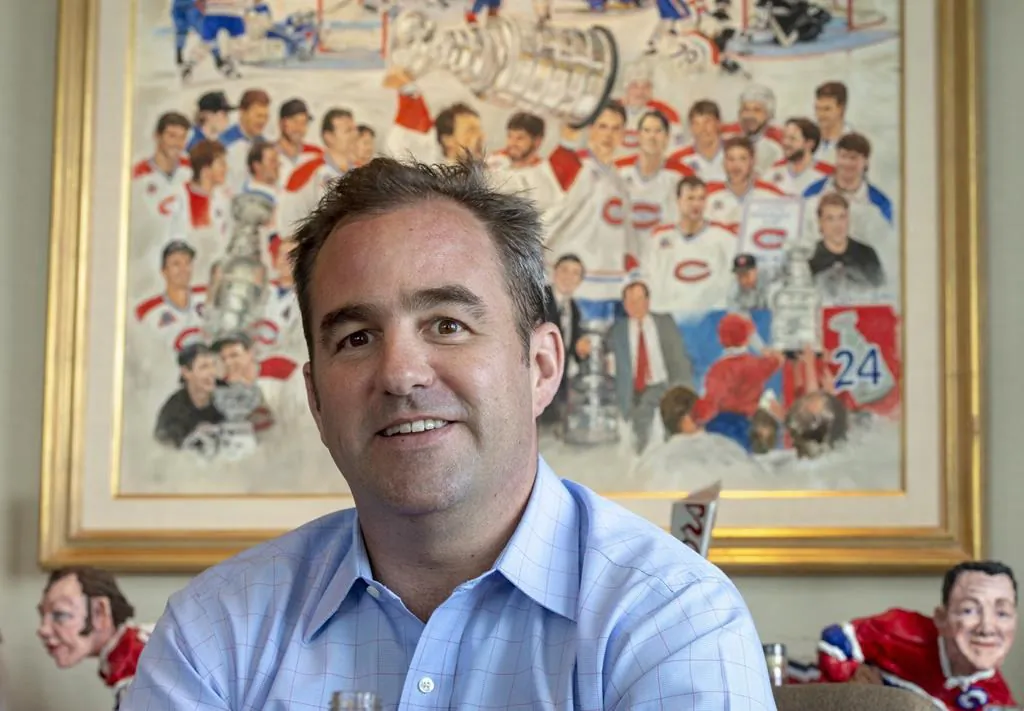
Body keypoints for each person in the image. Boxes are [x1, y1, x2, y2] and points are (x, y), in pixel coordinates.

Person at [121, 156, 776, 710]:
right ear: (316, 397)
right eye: (355, 338)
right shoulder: (213, 636)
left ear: (543, 366)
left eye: (447, 325)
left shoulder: (673, 620)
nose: (401, 373)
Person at [816, 560, 1018, 710]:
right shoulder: (901, 631)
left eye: (1002, 613)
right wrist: (854, 680)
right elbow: (834, 641)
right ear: (941, 618)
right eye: (969, 610)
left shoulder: (997, 697)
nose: (987, 627)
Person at [36, 567, 152, 710]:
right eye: (43, 615)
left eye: (60, 614)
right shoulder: (124, 656)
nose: (43, 630)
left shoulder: (136, 659)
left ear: (100, 612)